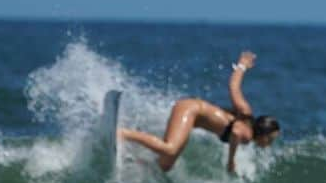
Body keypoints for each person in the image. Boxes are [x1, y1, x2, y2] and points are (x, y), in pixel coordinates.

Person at [119, 51, 281, 173]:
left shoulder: (244, 116)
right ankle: (123, 133)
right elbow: (236, 131)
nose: (269, 144)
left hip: (191, 116)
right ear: (264, 133)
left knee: (165, 165)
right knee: (170, 149)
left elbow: (233, 87)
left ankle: (133, 161)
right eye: (270, 139)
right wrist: (231, 160)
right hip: (191, 109)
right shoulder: (245, 122)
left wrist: (243, 66)